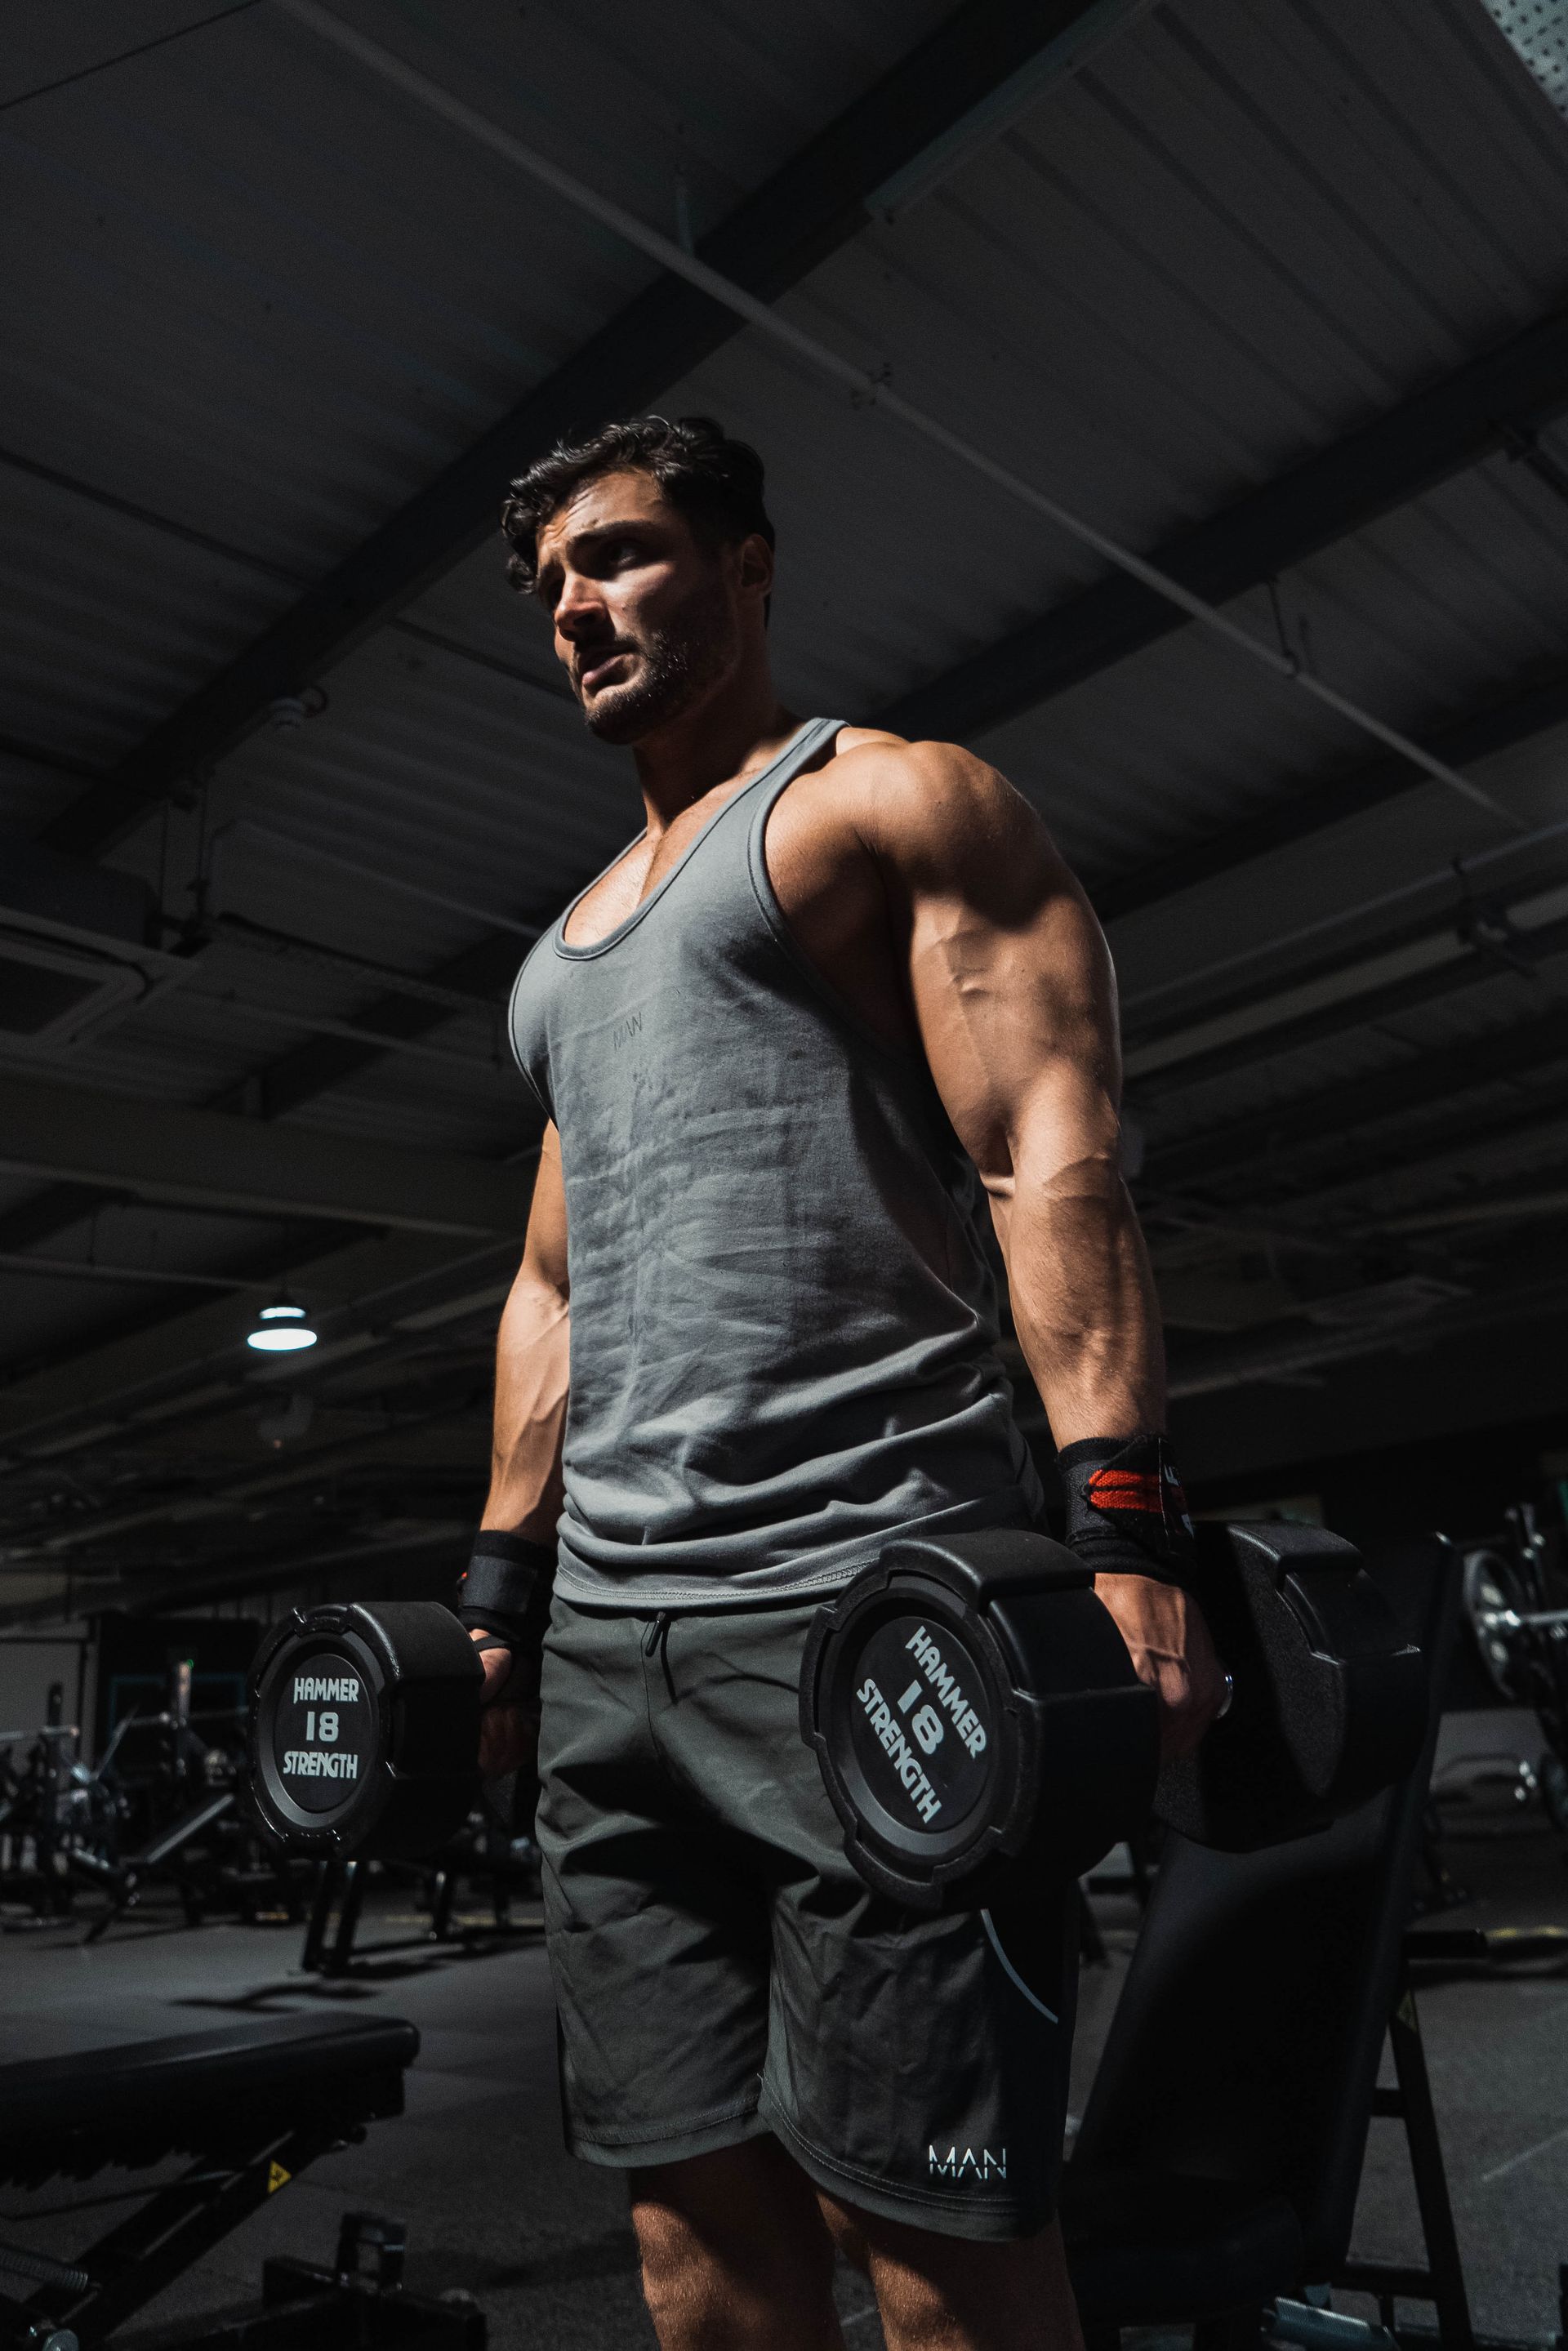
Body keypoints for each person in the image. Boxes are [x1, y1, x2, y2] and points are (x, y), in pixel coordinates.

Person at [458, 415, 1226, 2351]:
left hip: (864, 1613)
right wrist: (500, 1592)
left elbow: (1049, 1154)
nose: (579, 603)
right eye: (553, 581)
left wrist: (1119, 1523)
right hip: (616, 1658)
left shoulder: (887, 807)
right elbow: (550, 1289)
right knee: (690, 2244)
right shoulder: (560, 961)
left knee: (940, 2252)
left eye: (623, 555)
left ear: (749, 564)